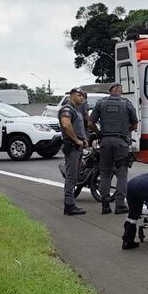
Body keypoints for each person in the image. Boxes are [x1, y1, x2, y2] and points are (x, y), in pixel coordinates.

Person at [89, 82, 138, 215]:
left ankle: (105, 205)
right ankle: (120, 205)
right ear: (120, 90)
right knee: (122, 173)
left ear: (110, 91)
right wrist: (124, 131)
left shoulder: (101, 103)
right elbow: (135, 124)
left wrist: (99, 133)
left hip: (104, 142)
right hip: (121, 142)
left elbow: (90, 122)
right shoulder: (127, 104)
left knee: (105, 173)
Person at [58, 87, 88, 216]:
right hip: (72, 147)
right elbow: (66, 124)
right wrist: (76, 140)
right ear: (71, 96)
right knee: (71, 177)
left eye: (83, 96)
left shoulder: (75, 110)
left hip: (77, 146)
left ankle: (70, 204)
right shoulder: (67, 109)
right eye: (78, 95)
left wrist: (83, 140)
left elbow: (77, 127)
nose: (81, 97)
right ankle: (69, 205)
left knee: (74, 176)